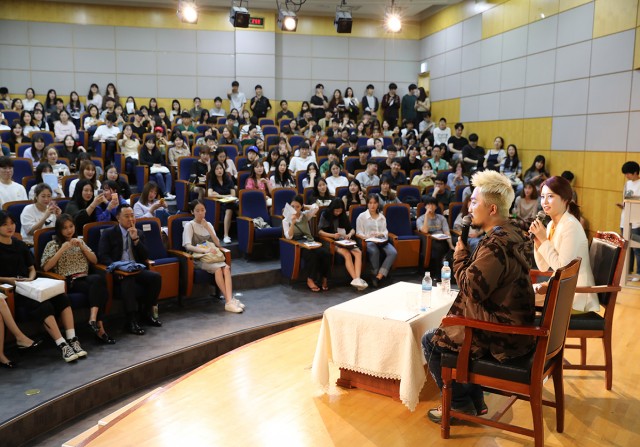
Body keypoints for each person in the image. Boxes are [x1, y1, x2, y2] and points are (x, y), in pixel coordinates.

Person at [422, 170, 535, 423]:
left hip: (504, 336)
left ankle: (460, 404)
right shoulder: (513, 232)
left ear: (492, 209)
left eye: (474, 202)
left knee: (431, 340)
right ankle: (475, 402)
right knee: (449, 329)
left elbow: (471, 289)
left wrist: (460, 255)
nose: (469, 207)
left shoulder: (495, 245)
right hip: (516, 327)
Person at [0, 210, 88, 363]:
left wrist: (31, 278)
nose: (10, 227)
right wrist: (14, 281)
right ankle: (62, 345)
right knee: (44, 306)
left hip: (30, 284)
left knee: (61, 297)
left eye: (12, 223)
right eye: (5, 225)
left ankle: (73, 339)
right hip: (12, 290)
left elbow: (32, 267)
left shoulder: (20, 244)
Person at [41, 214, 114, 344]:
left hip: (85, 277)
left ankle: (93, 320)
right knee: (100, 286)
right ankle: (99, 328)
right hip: (70, 280)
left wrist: (82, 247)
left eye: (71, 226)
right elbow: (46, 267)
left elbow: (94, 260)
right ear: (59, 230)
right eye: (65, 228)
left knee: (99, 282)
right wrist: (62, 249)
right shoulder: (52, 244)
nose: (69, 230)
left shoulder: (79, 241)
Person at [530, 176, 598, 313]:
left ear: (565, 199)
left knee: (516, 299)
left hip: (575, 294)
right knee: (514, 294)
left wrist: (544, 240)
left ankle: (534, 334)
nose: (545, 202)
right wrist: (538, 243)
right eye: (542, 197)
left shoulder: (570, 226)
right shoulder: (550, 225)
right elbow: (543, 267)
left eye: (550, 196)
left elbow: (563, 269)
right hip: (559, 287)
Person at [98, 204, 162, 335]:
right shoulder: (109, 233)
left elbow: (145, 256)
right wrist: (116, 269)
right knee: (128, 281)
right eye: (127, 216)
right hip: (119, 271)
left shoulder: (138, 233)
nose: (131, 219)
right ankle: (131, 320)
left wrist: (136, 240)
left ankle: (145, 313)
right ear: (118, 218)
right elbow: (103, 256)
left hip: (135, 268)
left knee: (156, 277)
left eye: (132, 215)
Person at [183, 199, 243, 312]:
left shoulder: (208, 224)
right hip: (198, 258)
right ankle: (229, 301)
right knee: (218, 269)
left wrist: (208, 228)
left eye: (203, 210)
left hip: (212, 257)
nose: (201, 213)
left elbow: (217, 243)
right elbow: (188, 246)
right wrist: (204, 251)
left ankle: (229, 300)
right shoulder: (189, 225)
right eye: (197, 211)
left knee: (226, 268)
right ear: (192, 212)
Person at [282, 195, 332, 292]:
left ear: (301, 207)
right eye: (292, 206)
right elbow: (289, 237)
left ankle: (324, 278)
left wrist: (305, 206)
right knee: (311, 255)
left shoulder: (305, 215)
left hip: (309, 241)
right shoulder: (286, 220)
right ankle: (310, 279)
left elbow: (316, 207)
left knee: (326, 253)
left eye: (297, 206)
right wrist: (292, 223)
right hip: (297, 244)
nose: (295, 209)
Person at [318, 199, 367, 290]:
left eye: (340, 211)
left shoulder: (343, 215)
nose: (338, 213)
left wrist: (349, 234)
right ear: (332, 209)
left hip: (344, 240)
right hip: (331, 241)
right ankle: (356, 280)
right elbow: (320, 232)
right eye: (336, 211)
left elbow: (352, 229)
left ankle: (357, 279)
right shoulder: (325, 214)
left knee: (358, 252)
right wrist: (332, 235)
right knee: (346, 254)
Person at [355, 194, 397, 288]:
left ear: (378, 204)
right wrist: (367, 236)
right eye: (370, 203)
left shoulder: (382, 217)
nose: (372, 205)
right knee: (374, 251)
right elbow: (358, 233)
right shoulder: (361, 217)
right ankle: (373, 274)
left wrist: (380, 234)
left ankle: (379, 276)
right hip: (368, 241)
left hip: (381, 240)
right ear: (367, 204)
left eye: (374, 203)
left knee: (393, 252)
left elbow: (385, 231)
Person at [417, 196, 454, 278]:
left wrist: (451, 245)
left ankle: (454, 274)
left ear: (436, 207)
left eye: (433, 205)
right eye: (428, 205)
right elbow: (425, 231)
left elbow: (447, 232)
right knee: (438, 247)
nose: (430, 207)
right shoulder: (420, 219)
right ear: (425, 206)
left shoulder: (441, 218)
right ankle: (438, 274)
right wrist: (426, 216)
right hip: (430, 240)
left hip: (443, 239)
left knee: (455, 243)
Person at [617, 161, 640, 278]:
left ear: (636, 172)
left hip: (636, 222)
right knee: (626, 248)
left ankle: (638, 273)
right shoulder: (627, 184)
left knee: (637, 248)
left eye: (628, 173)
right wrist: (622, 204)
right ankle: (627, 271)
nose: (627, 176)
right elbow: (626, 200)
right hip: (625, 219)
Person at [208, 161, 237, 244]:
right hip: (219, 204)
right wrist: (223, 196)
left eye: (221, 168)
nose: (219, 170)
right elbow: (209, 194)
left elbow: (233, 194)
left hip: (231, 201)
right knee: (229, 208)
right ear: (214, 170)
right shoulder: (212, 180)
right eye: (217, 169)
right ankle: (226, 235)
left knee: (237, 207)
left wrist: (218, 194)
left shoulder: (227, 178)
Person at [140, 135, 174, 199]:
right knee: (159, 175)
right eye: (149, 142)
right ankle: (165, 194)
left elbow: (162, 161)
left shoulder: (156, 150)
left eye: (153, 143)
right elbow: (142, 162)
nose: (151, 145)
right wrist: (153, 164)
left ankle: (168, 192)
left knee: (168, 174)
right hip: (149, 170)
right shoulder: (143, 151)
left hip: (159, 169)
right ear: (145, 143)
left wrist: (160, 165)